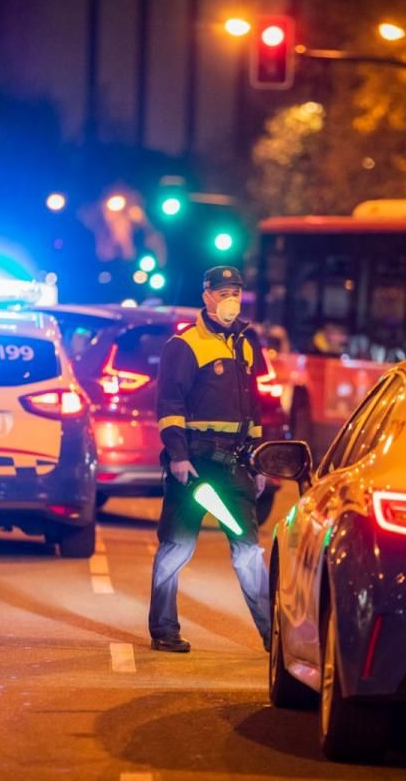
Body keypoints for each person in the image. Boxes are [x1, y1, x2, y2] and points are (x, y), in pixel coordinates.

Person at [149, 266, 272, 653]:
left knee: (249, 551)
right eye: (221, 292)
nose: (229, 299)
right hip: (196, 465)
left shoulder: (246, 344)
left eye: (234, 291)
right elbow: (170, 406)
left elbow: (254, 409)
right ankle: (164, 629)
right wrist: (179, 457)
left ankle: (276, 637)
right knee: (177, 548)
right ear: (206, 297)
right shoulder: (183, 346)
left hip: (235, 466)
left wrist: (258, 460)